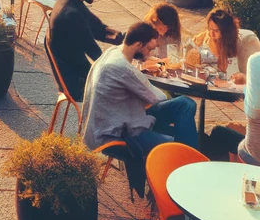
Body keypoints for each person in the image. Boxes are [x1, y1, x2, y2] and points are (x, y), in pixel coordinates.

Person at [81, 21, 198, 154]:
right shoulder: (122, 67)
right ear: (138, 45)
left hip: (124, 118)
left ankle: (188, 152)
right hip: (118, 133)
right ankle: (187, 156)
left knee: (185, 103)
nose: (149, 54)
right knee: (177, 142)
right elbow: (159, 97)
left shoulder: (113, 51)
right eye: (149, 49)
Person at [47, 0, 123, 102]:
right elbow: (95, 53)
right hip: (76, 83)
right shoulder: (72, 14)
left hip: (74, 72)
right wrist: (122, 65)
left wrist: (123, 39)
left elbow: (97, 27)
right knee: (124, 90)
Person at [188, 7, 260, 77]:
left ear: (226, 31)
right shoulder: (206, 38)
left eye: (216, 30)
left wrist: (243, 78)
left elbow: (256, 76)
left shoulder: (247, 42)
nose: (211, 34)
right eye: (209, 29)